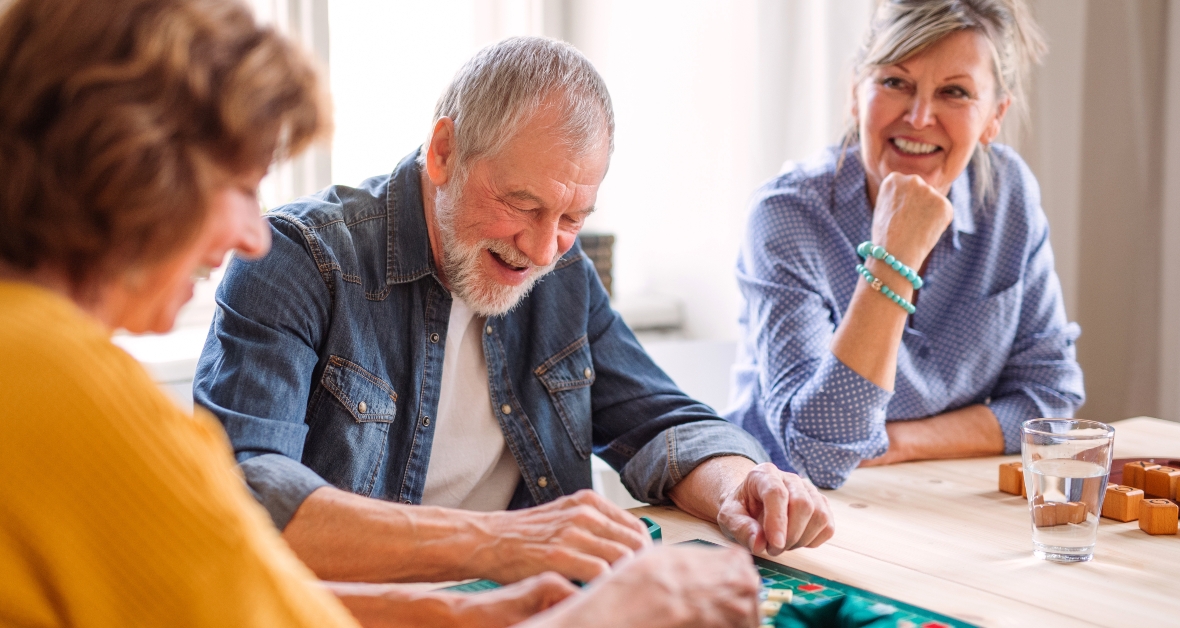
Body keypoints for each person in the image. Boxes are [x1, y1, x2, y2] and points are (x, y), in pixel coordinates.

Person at [0, 1, 764, 626]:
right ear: (128, 165)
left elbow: (246, 604)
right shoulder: (67, 382)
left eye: (568, 219)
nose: (248, 232)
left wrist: (479, 614)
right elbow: (256, 551)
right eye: (238, 184)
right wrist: (578, 606)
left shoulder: (39, 354)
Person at [193, 35, 834, 586]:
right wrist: (500, 543)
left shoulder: (562, 271)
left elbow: (657, 420)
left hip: (526, 601)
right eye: (523, 205)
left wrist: (742, 486)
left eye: (572, 218)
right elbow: (250, 491)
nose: (542, 248)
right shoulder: (296, 258)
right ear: (443, 151)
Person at [726, 0, 1085, 489]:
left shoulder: (1007, 194)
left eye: (955, 92)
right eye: (895, 82)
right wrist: (893, 256)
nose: (918, 118)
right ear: (856, 92)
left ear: (994, 116)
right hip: (783, 515)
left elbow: (1050, 401)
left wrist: (898, 442)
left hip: (932, 496)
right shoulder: (788, 214)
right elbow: (820, 455)